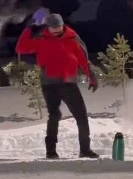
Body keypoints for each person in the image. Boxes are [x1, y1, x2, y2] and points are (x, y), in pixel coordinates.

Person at [15, 12, 99, 159]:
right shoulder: (41, 38)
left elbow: (83, 58)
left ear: (62, 25)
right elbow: (21, 48)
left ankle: (85, 150)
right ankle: (51, 151)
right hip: (49, 84)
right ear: (48, 27)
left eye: (59, 27)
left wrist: (91, 76)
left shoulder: (72, 37)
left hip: (68, 83)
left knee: (81, 116)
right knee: (54, 115)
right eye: (53, 28)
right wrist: (28, 29)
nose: (57, 30)